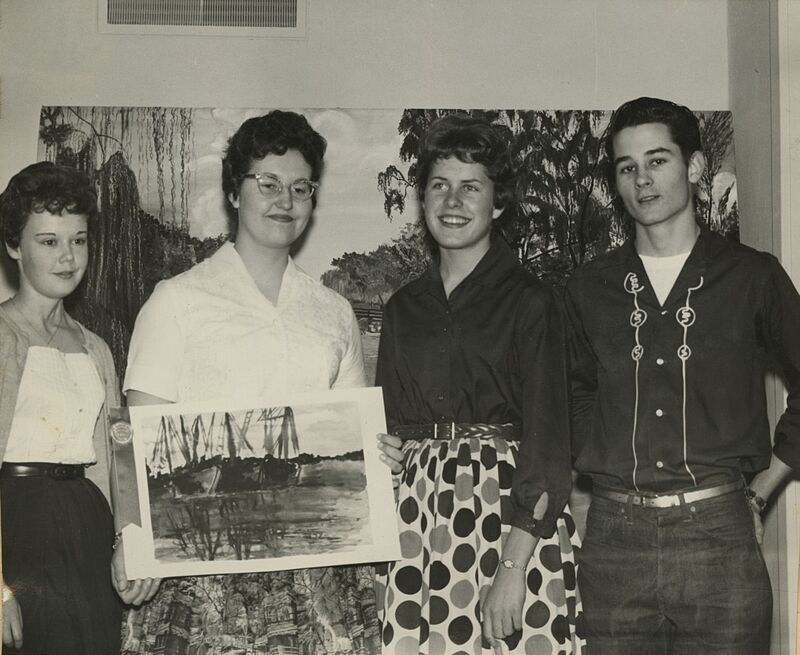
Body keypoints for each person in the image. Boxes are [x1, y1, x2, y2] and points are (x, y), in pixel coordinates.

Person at [120, 110, 388, 655]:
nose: (284, 200)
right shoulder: (177, 300)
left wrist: (380, 457)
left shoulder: (334, 312)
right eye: (267, 183)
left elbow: (351, 438)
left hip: (316, 575)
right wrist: (130, 537)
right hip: (198, 573)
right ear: (235, 192)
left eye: (300, 187)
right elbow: (135, 440)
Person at [565, 96, 800, 653]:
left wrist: (763, 486)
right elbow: (574, 395)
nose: (642, 180)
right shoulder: (587, 288)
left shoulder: (752, 277)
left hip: (721, 532)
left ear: (694, 167)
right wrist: (596, 479)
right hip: (615, 540)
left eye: (657, 160)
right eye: (627, 168)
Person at [374, 114, 583, 655]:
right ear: (421, 200)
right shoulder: (401, 310)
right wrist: (386, 448)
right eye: (439, 186)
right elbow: (388, 430)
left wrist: (512, 568)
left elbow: (549, 445)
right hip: (415, 524)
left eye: (471, 187)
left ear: (498, 203)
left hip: (510, 520)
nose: (452, 201)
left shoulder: (532, 300)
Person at [0, 162, 153, 654]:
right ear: (14, 247)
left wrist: (130, 539)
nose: (68, 256)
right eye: (49, 241)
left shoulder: (98, 349)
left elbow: (118, 457)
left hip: (85, 528)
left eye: (79, 240)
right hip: (16, 531)